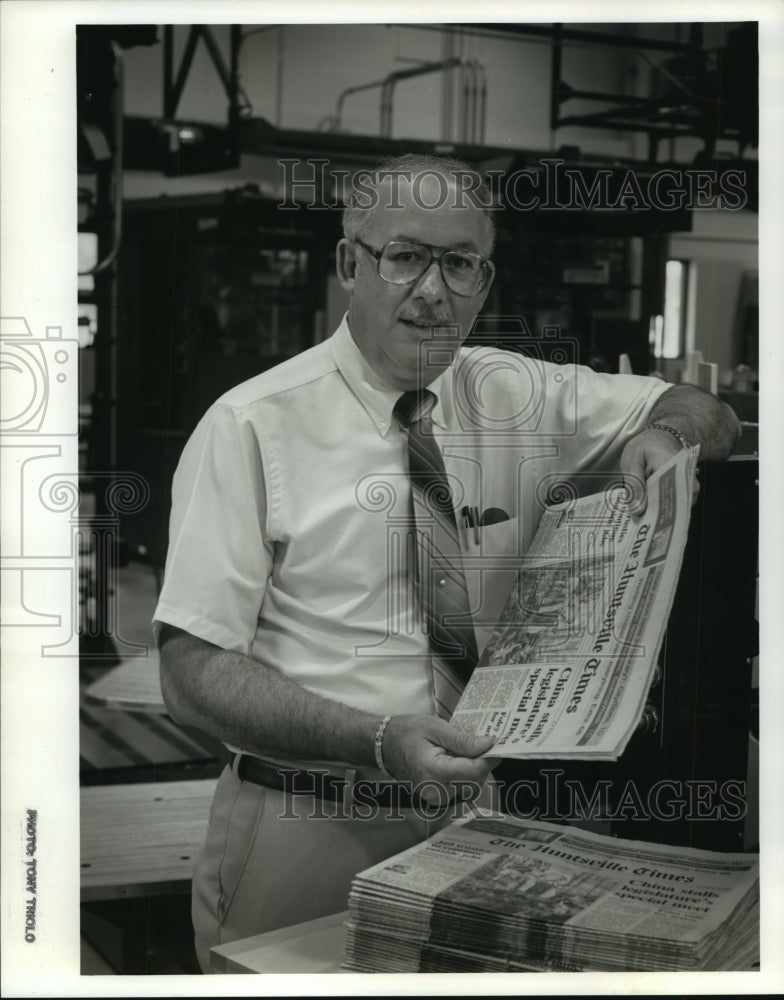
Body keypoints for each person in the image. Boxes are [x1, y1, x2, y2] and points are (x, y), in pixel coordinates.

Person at [154, 153, 740, 970]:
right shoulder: (252, 425)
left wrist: (663, 434)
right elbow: (189, 672)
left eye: (458, 263)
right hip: (303, 821)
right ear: (349, 265)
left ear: (484, 279)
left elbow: (708, 409)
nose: (432, 290)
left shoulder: (517, 394)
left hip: (475, 820)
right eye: (404, 257)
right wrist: (379, 739)